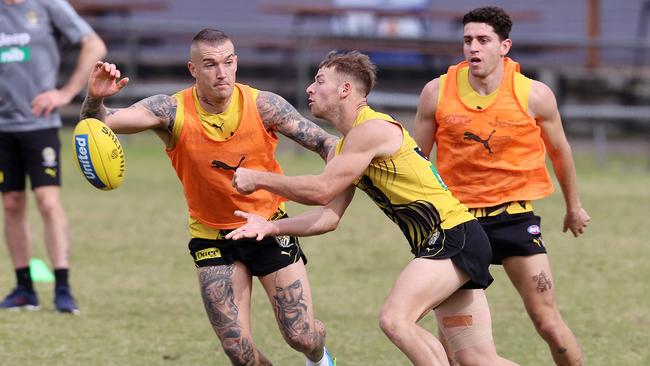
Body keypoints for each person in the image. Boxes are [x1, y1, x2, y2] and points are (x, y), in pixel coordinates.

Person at [227, 50, 517, 366]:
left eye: (320, 81)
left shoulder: (371, 130)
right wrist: (272, 227)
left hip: (452, 236)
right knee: (477, 359)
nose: (310, 88)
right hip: (452, 240)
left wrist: (259, 179)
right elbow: (329, 216)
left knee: (395, 320)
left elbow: (322, 190)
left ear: (345, 90)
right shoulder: (346, 145)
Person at [79, 29, 338, 366]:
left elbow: (327, 143)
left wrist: (333, 187)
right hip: (211, 236)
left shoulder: (264, 105)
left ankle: (319, 357)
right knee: (238, 352)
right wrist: (95, 99)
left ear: (236, 63)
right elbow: (101, 124)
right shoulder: (170, 111)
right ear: (193, 70)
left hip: (267, 226)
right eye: (211, 64)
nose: (222, 73)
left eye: (228, 62)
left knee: (302, 336)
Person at [411, 7, 590, 366]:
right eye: (467, 40)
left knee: (548, 321)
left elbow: (560, 153)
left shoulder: (534, 94)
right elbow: (416, 161)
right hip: (458, 223)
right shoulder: (437, 92)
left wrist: (574, 207)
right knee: (458, 341)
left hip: (514, 220)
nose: (473, 48)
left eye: (483, 40)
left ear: (504, 46)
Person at [0, 0, 106, 314]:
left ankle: (62, 287)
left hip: (39, 124)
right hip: (3, 128)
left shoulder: (47, 5)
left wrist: (66, 93)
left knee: (47, 201)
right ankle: (24, 289)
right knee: (11, 203)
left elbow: (94, 45)